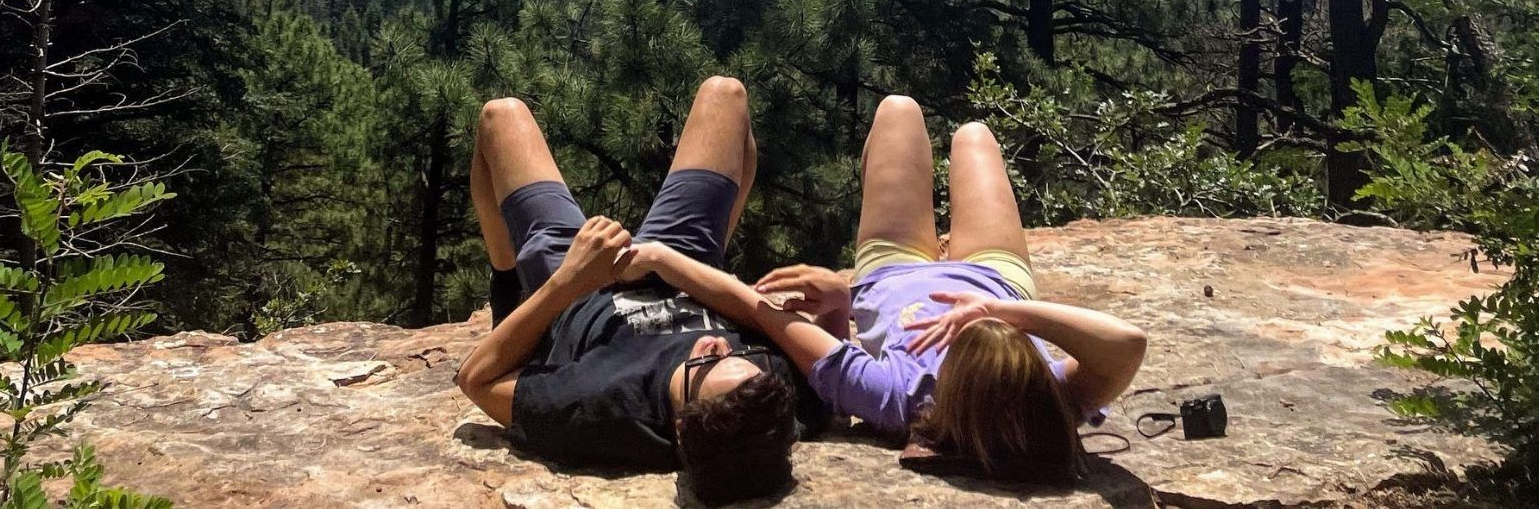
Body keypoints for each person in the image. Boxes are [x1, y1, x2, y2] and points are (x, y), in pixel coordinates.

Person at [626, 94, 1149, 485]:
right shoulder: (1047, 398)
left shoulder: (894, 397)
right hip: (996, 276)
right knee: (973, 136)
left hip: (892, 271)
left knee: (898, 111)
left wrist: (663, 259)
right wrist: (1004, 308)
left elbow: (760, 312)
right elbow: (1127, 343)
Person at [455, 76, 799, 505]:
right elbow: (829, 355)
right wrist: (674, 265)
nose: (716, 345)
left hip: (577, 292)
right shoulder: (765, 404)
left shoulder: (600, 410)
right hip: (682, 266)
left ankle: (508, 279)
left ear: (680, 427)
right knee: (726, 95)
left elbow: (475, 379)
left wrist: (570, 279)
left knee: (500, 116)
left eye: (707, 365)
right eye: (738, 355)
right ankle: (715, 245)